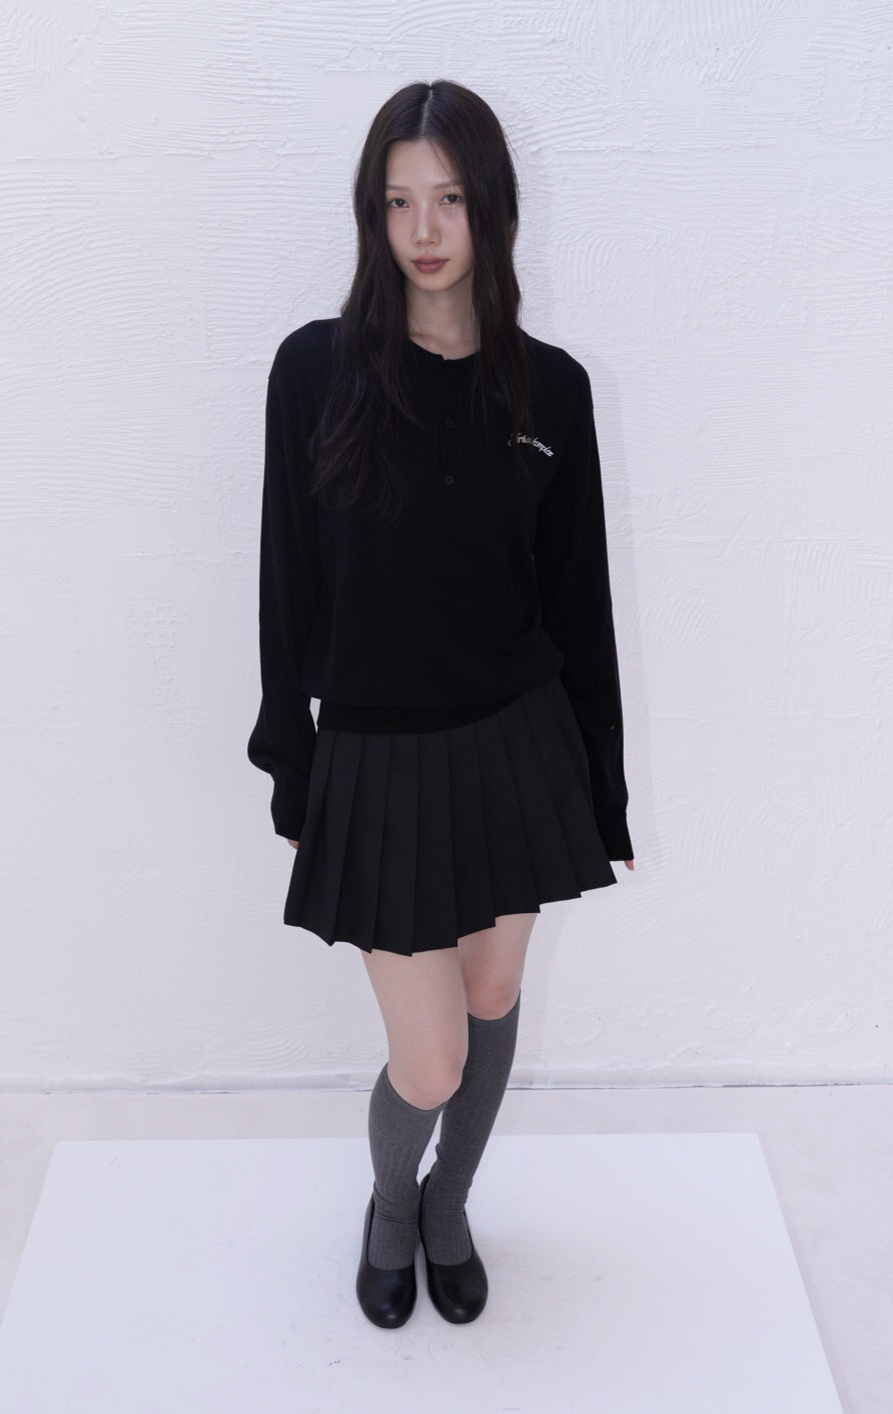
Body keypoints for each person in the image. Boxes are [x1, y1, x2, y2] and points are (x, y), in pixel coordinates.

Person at [247, 79, 636, 1329]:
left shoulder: (549, 393)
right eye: (397, 201)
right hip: (376, 758)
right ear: (371, 214)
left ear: (490, 211)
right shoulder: (315, 372)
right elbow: (285, 584)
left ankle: (449, 1205)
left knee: (489, 1001)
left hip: (517, 748)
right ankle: (390, 1205)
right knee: (427, 1060)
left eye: (449, 200)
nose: (423, 230)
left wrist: (602, 789)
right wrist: (292, 767)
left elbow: (578, 609)